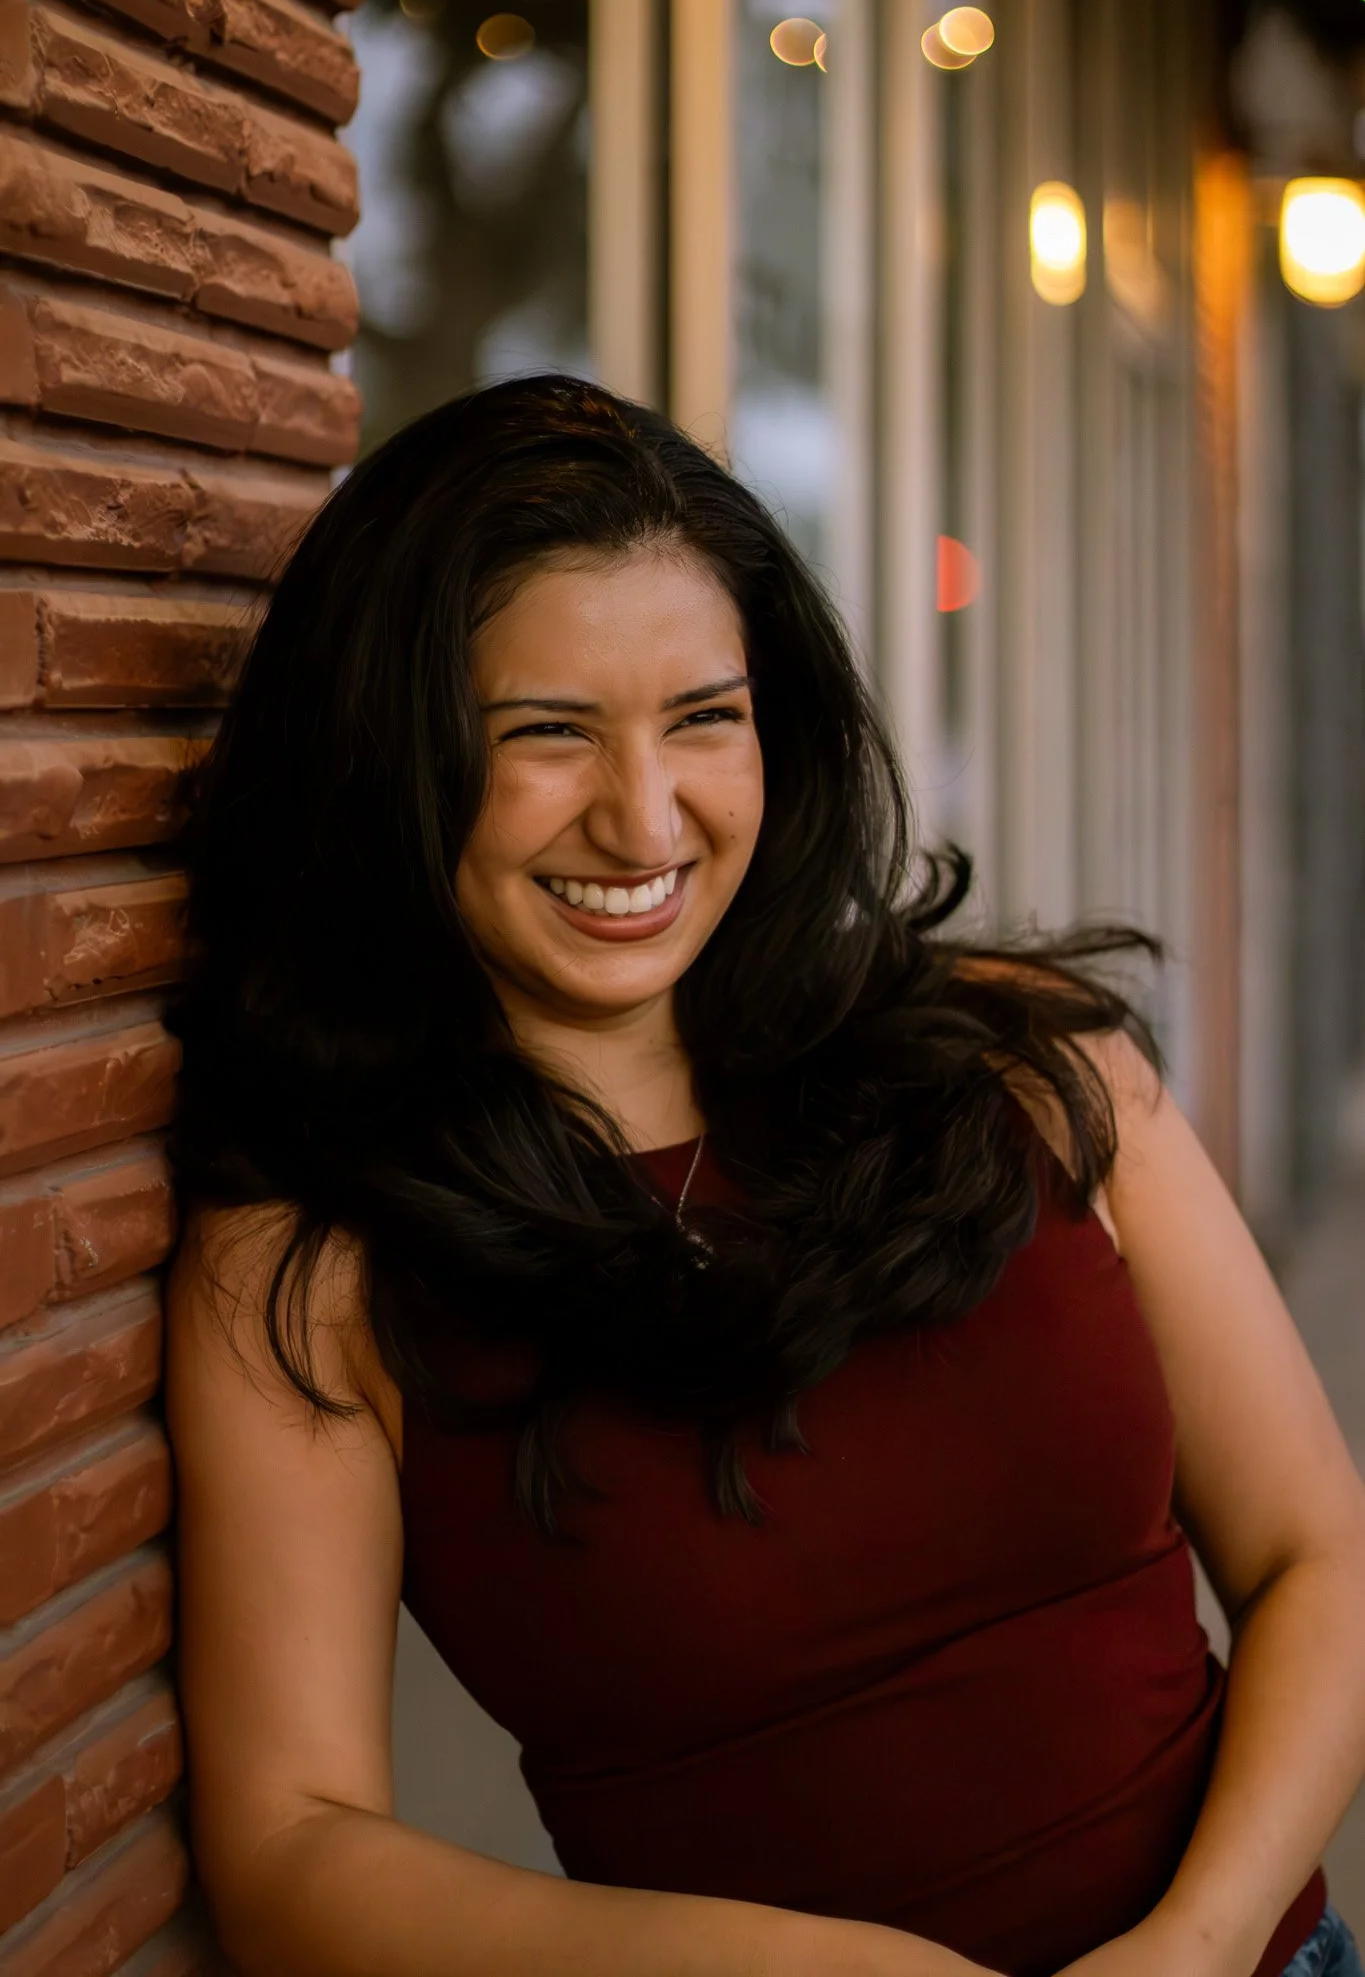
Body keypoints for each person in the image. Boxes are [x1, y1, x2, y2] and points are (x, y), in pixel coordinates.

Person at [164, 374, 1365, 1977]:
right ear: (398, 761)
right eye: (546, 735)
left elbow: (1319, 1556)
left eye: (703, 719)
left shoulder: (1023, 1065)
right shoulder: (321, 1266)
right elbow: (292, 1849)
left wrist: (1199, 1950)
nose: (644, 815)